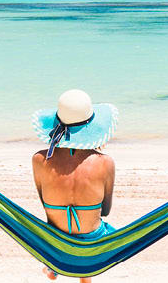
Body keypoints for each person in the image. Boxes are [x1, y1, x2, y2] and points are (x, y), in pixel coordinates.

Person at [31, 89, 117, 282]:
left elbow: (44, 204)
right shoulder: (105, 163)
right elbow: (106, 210)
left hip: (55, 242)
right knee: (108, 237)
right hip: (92, 241)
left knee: (60, 234)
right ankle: (83, 270)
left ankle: (55, 265)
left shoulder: (39, 160)